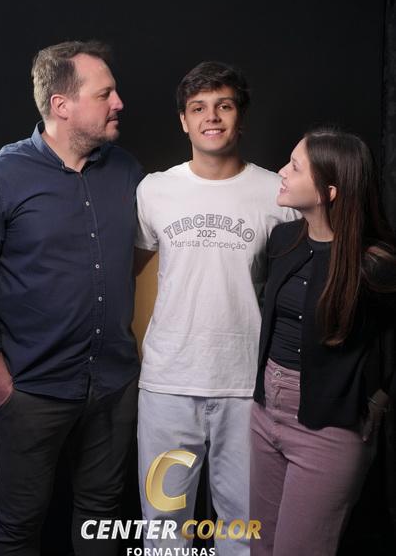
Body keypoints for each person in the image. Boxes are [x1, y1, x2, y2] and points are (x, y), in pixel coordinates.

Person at [0, 40, 143, 556]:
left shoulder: (127, 171)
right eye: (105, 94)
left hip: (114, 385)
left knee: (102, 515)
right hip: (31, 390)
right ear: (62, 105)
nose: (119, 102)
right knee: (18, 525)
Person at [134, 61, 298, 555]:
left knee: (242, 528)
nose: (211, 117)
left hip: (246, 386)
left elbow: (296, 288)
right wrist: (144, 349)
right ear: (183, 121)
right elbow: (138, 277)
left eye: (223, 106)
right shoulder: (154, 190)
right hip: (168, 385)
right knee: (164, 528)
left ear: (239, 117)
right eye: (198, 108)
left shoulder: (277, 194)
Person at [250, 126, 396, 556]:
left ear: (329, 191)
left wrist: (382, 396)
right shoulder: (282, 240)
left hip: (329, 427)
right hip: (264, 415)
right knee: (258, 546)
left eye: (295, 167)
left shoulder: (374, 264)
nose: (282, 171)